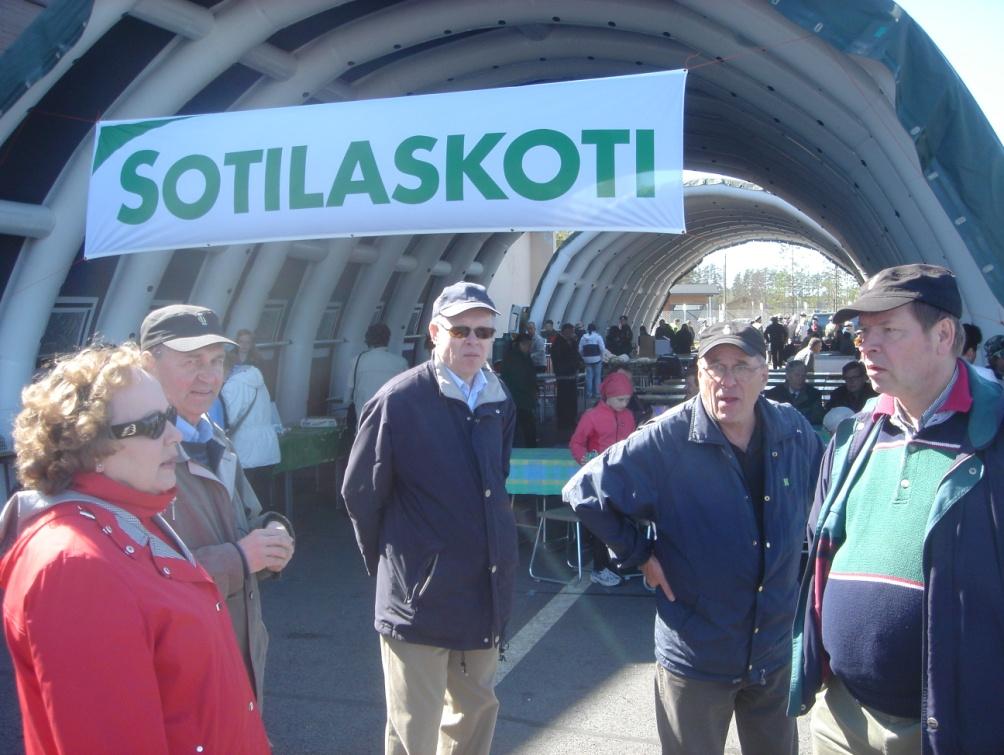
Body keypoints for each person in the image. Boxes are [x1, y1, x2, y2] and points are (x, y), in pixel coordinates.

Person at [565, 321, 823, 755]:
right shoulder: (668, 438)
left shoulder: (794, 432)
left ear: (765, 374)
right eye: (715, 367)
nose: (727, 380)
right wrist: (640, 554)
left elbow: (828, 502)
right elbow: (585, 493)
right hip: (698, 655)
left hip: (773, 652)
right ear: (698, 374)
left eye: (741, 366)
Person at [0, 344, 269, 754]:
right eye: (153, 423)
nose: (175, 435)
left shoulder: (134, 515)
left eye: (170, 416)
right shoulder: (76, 567)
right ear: (92, 446)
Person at [789, 264, 1004, 753]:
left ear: (944, 334)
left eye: (889, 329)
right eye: (864, 331)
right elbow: (821, 547)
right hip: (840, 715)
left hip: (952, 723)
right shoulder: (855, 435)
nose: (867, 345)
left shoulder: (994, 434)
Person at [341, 281, 516, 755]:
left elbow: (494, 480)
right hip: (419, 599)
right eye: (461, 330)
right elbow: (362, 493)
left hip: (483, 590)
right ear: (434, 332)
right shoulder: (398, 400)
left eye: (483, 331)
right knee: (414, 730)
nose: (473, 341)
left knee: (475, 716)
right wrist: (398, 569)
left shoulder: (499, 399)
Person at [140, 304, 295, 706]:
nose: (209, 377)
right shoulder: (132, 457)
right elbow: (135, 579)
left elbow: (248, 517)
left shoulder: (215, 438)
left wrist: (274, 529)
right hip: (178, 666)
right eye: (191, 362)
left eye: (217, 361)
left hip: (234, 650)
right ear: (147, 365)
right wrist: (239, 558)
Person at [569, 371, 636, 587]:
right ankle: (600, 568)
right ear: (607, 396)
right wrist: (585, 460)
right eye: (620, 399)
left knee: (623, 521)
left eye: (627, 399)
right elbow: (576, 443)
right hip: (597, 480)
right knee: (602, 524)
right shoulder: (592, 416)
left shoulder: (628, 416)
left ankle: (619, 563)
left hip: (622, 478)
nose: (624, 403)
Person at [221, 358, 280, 508]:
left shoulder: (232, 385)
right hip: (267, 445)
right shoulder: (258, 381)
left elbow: (230, 418)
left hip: (246, 448)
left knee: (248, 500)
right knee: (264, 494)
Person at [348, 322, 410, 420]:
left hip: (364, 420)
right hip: (391, 419)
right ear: (387, 339)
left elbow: (348, 394)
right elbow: (407, 392)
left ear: (368, 340)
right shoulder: (401, 362)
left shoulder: (357, 361)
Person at [499, 332, 538, 447]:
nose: (529, 348)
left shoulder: (512, 357)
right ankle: (530, 446)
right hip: (520, 397)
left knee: (515, 425)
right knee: (526, 425)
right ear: (521, 344)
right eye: (528, 345)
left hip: (516, 396)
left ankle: (514, 446)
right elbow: (522, 378)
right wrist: (531, 391)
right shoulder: (518, 359)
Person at [765, 360, 825, 425]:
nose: (801, 379)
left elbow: (817, 418)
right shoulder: (773, 394)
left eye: (803, 376)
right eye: (797, 375)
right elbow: (769, 419)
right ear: (788, 376)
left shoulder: (814, 394)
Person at [550, 322, 582, 432]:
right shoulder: (558, 343)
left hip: (571, 375)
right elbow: (558, 359)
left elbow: (576, 355)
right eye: (570, 331)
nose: (572, 334)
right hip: (563, 376)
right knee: (563, 399)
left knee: (571, 399)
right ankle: (563, 421)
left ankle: (571, 419)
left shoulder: (572, 342)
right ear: (565, 331)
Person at [578, 323, 605, 399]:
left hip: (587, 360)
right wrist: (602, 357)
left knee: (589, 377)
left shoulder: (583, 337)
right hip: (597, 359)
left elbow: (580, 349)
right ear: (595, 329)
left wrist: (583, 357)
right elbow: (602, 348)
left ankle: (588, 394)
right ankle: (597, 394)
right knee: (597, 377)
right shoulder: (598, 337)